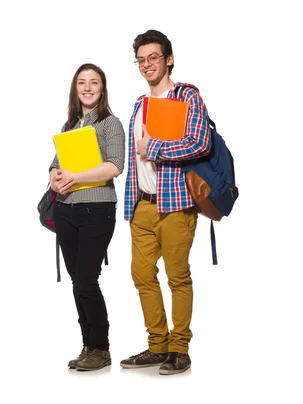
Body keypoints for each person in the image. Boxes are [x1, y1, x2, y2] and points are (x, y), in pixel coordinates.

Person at [119, 29, 212, 375]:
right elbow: (134, 160)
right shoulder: (139, 105)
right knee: (141, 275)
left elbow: (200, 143)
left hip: (175, 204)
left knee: (177, 276)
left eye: (153, 58)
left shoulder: (187, 96)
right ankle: (157, 345)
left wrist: (155, 148)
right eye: (141, 60)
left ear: (168, 59)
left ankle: (180, 349)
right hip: (142, 205)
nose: (147, 65)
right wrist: (128, 206)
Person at [49, 63, 126, 371]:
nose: (88, 87)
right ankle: (87, 344)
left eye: (94, 82)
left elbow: (115, 165)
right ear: (75, 88)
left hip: (97, 209)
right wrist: (55, 177)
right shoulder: (70, 126)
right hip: (66, 210)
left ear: (102, 88)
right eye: (82, 82)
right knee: (76, 281)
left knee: (86, 281)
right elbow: (55, 164)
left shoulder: (110, 123)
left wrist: (76, 177)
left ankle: (101, 348)